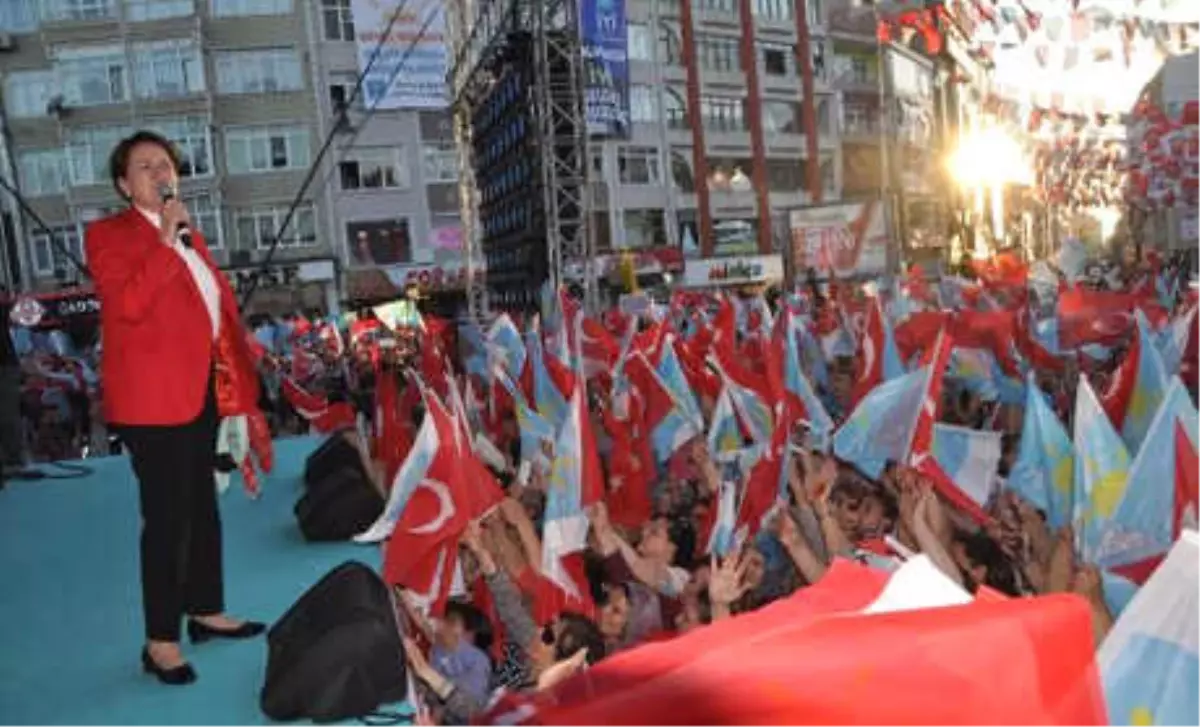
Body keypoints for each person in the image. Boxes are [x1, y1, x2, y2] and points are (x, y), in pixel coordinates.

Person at [84, 130, 264, 686]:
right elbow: (130, 305)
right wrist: (165, 240)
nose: (160, 172)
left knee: (203, 507)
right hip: (152, 401)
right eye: (145, 166)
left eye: (165, 164)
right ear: (123, 183)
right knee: (166, 521)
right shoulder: (109, 235)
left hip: (205, 389)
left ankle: (205, 610)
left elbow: (207, 306)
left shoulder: (189, 233)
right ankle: (160, 641)